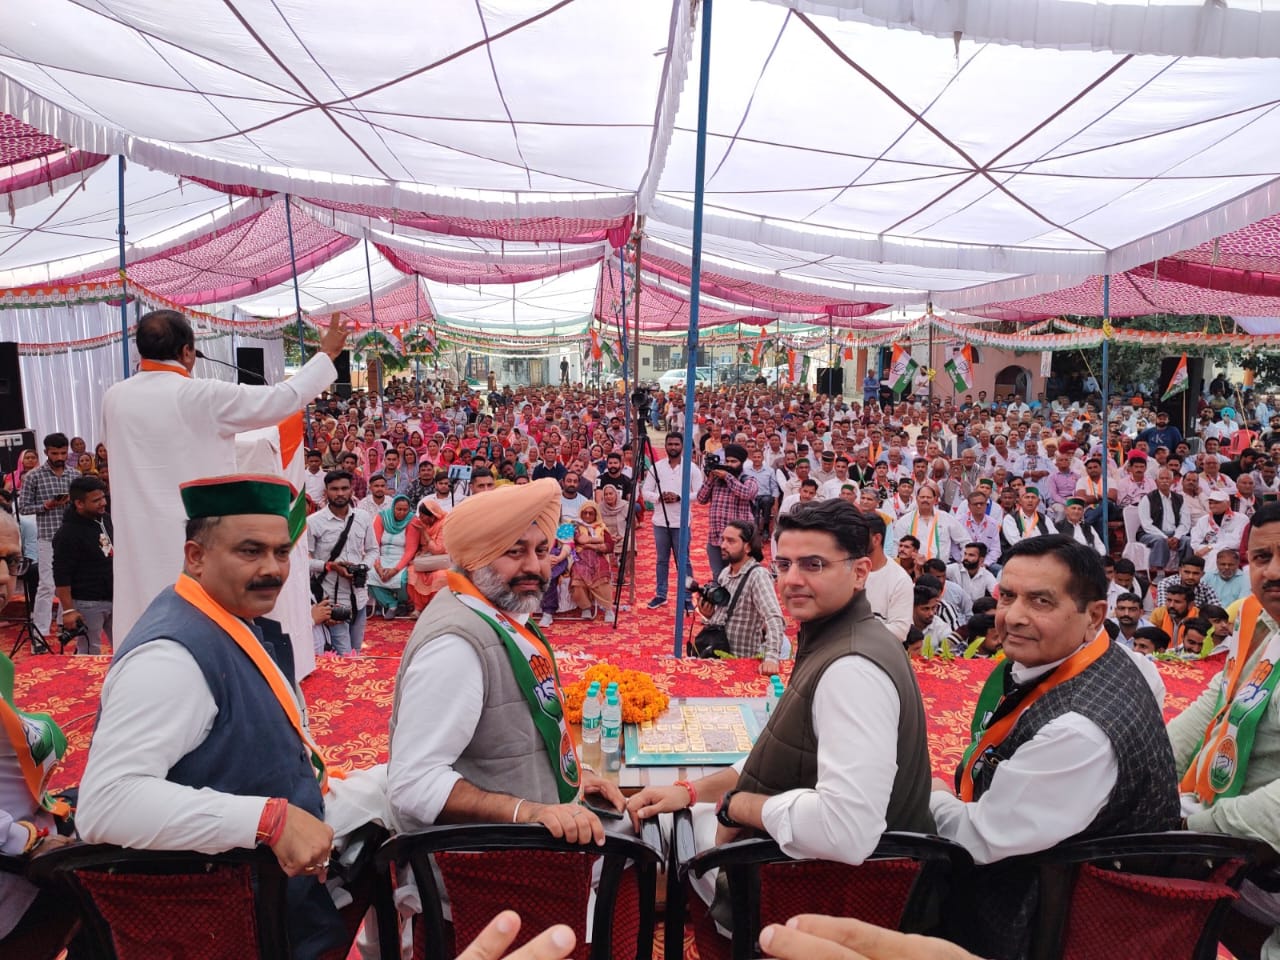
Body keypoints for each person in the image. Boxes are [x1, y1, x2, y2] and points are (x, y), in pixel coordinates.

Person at [624, 498, 934, 928]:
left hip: (828, 894)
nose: (792, 580)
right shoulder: (840, 638)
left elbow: (848, 829)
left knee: (666, 836)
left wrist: (741, 806)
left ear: (860, 572)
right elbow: (783, 752)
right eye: (784, 565)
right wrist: (693, 791)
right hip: (826, 877)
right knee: (683, 811)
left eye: (814, 565)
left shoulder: (851, 670)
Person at [77, 475, 346, 959]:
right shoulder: (171, 657)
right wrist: (268, 821)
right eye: (250, 552)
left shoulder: (224, 618)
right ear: (195, 557)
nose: (272, 570)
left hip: (267, 902)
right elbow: (107, 804)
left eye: (281, 553)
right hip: (218, 926)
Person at [931, 534, 1179, 959]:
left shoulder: (1078, 732)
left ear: (1094, 615)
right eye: (1007, 596)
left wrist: (932, 795)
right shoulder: (1122, 660)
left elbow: (980, 839)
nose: (1013, 617)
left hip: (1043, 918)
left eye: (1041, 602)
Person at [387, 478, 625, 846]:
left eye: (542, 551)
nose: (535, 567)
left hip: (532, 839)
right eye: (515, 552)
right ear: (476, 557)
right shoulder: (455, 645)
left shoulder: (493, 611)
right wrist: (529, 812)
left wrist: (568, 779)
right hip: (490, 870)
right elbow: (413, 784)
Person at [103, 310, 348, 640]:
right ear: (188, 352)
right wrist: (326, 355)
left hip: (136, 536)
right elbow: (282, 399)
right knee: (197, 627)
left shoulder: (114, 397)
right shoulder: (201, 395)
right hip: (194, 536)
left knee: (141, 618)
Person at [1168, 502, 1280, 959]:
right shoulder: (1265, 628)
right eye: (1262, 558)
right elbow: (1213, 705)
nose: (1273, 573)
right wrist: (1143, 783)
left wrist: (1195, 831)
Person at [693, 520, 786, 674]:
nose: (723, 545)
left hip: (741, 664)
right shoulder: (725, 573)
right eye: (723, 540)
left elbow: (775, 618)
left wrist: (771, 658)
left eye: (730, 541)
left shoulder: (758, 575)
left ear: (748, 547)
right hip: (717, 659)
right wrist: (710, 615)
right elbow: (725, 614)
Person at [306, 470, 379, 657]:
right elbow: (303, 562)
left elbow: (372, 550)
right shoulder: (314, 522)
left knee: (356, 651)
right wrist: (330, 566)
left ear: (352, 489)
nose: (340, 493)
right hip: (331, 599)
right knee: (345, 657)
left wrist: (362, 567)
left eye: (344, 488)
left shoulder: (362, 517)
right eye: (334, 489)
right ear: (326, 492)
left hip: (360, 596)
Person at [17, 432, 78, 634]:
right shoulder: (34, 476)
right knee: (46, 585)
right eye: (55, 453)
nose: (59, 457)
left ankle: (64, 625)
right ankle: (40, 631)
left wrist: (74, 502)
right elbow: (23, 507)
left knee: (70, 582)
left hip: (71, 536)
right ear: (46, 452)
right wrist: (47, 505)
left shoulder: (74, 475)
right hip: (47, 537)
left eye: (62, 453)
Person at [51, 475, 114, 654]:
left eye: (103, 497)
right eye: (96, 500)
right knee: (89, 651)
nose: (103, 503)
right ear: (79, 503)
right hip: (88, 602)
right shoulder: (67, 534)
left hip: (114, 596)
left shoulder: (105, 519)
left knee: (124, 645)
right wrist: (69, 610)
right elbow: (61, 575)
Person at [696, 443, 759, 580]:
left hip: (738, 541)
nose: (729, 465)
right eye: (727, 461)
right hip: (715, 538)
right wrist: (710, 479)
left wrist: (728, 477)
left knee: (738, 577)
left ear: (741, 463)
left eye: (734, 462)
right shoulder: (717, 481)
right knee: (718, 577)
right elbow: (700, 499)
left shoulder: (748, 479)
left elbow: (747, 493)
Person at [861, 510, 913, 642]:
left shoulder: (899, 579)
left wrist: (857, 630)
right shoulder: (846, 569)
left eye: (860, 535)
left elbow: (900, 631)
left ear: (876, 539)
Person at [367, 494, 416, 617]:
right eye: (399, 509)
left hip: (401, 559)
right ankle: (390, 603)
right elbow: (374, 545)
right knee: (369, 575)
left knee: (403, 579)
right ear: (393, 507)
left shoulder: (412, 520)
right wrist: (378, 567)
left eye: (405, 510)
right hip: (381, 556)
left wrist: (395, 570)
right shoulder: (382, 517)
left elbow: (410, 550)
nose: (402, 513)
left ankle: (402, 604)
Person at [568, 502, 615, 623]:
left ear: (596, 515)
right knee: (577, 577)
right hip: (580, 558)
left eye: (591, 513)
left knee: (602, 576)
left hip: (598, 557)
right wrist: (598, 542)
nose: (588, 516)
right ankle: (586, 607)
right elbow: (579, 539)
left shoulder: (602, 527)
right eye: (585, 513)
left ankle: (608, 608)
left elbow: (609, 546)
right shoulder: (575, 526)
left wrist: (589, 545)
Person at [406, 499, 450, 613]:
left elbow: (438, 549)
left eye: (423, 515)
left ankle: (435, 608)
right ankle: (418, 608)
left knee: (439, 576)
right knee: (412, 572)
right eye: (419, 515)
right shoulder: (422, 524)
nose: (420, 518)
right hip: (426, 559)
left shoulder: (445, 523)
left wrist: (424, 532)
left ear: (432, 515)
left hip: (442, 560)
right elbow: (419, 545)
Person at [1190, 489, 1248, 567]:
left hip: (1231, 555)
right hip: (1205, 555)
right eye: (1210, 503)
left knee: (1215, 554)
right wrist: (1207, 549)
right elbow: (1195, 543)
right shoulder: (1202, 520)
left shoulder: (1241, 519)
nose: (1212, 506)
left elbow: (1237, 542)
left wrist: (1210, 547)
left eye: (1217, 503)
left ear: (1228, 503)